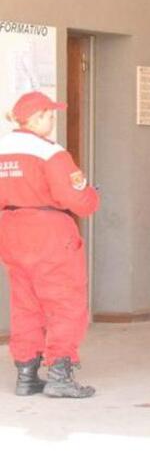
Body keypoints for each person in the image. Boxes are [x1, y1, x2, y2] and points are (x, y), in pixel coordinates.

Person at [0, 91, 100, 398]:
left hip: (11, 231)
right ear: (36, 118)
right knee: (65, 302)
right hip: (50, 233)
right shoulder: (51, 152)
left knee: (25, 304)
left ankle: (26, 374)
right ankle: (60, 373)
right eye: (50, 115)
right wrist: (91, 195)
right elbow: (77, 200)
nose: (53, 121)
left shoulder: (2, 149)